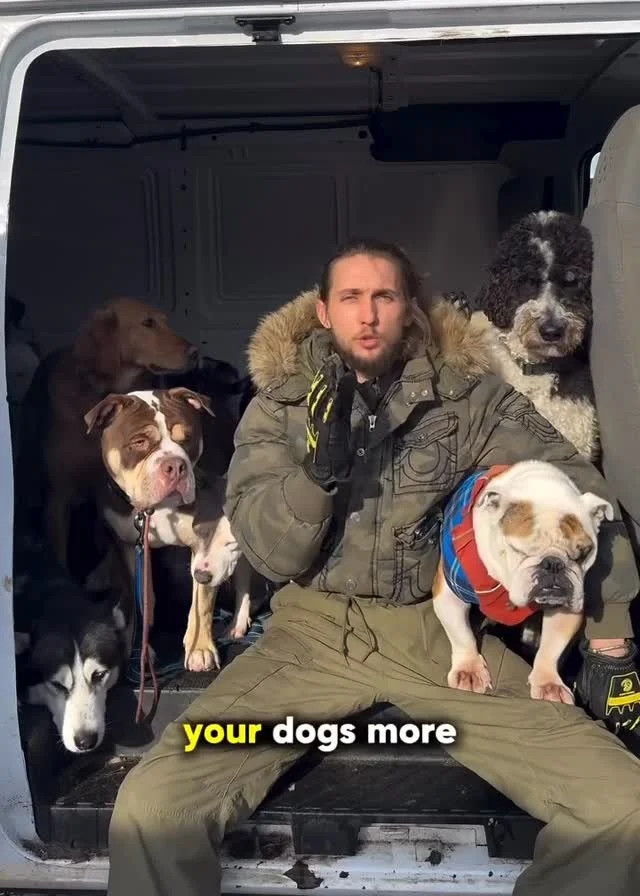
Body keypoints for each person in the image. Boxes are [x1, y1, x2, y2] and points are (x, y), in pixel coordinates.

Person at [107, 238, 640, 896]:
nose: (368, 315)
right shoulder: (279, 405)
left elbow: (576, 488)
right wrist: (316, 477)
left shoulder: (471, 399)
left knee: (622, 807)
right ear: (324, 311)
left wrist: (609, 633)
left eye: (384, 296)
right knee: (152, 810)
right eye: (351, 297)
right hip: (309, 637)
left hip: (437, 635)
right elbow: (271, 553)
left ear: (410, 307)